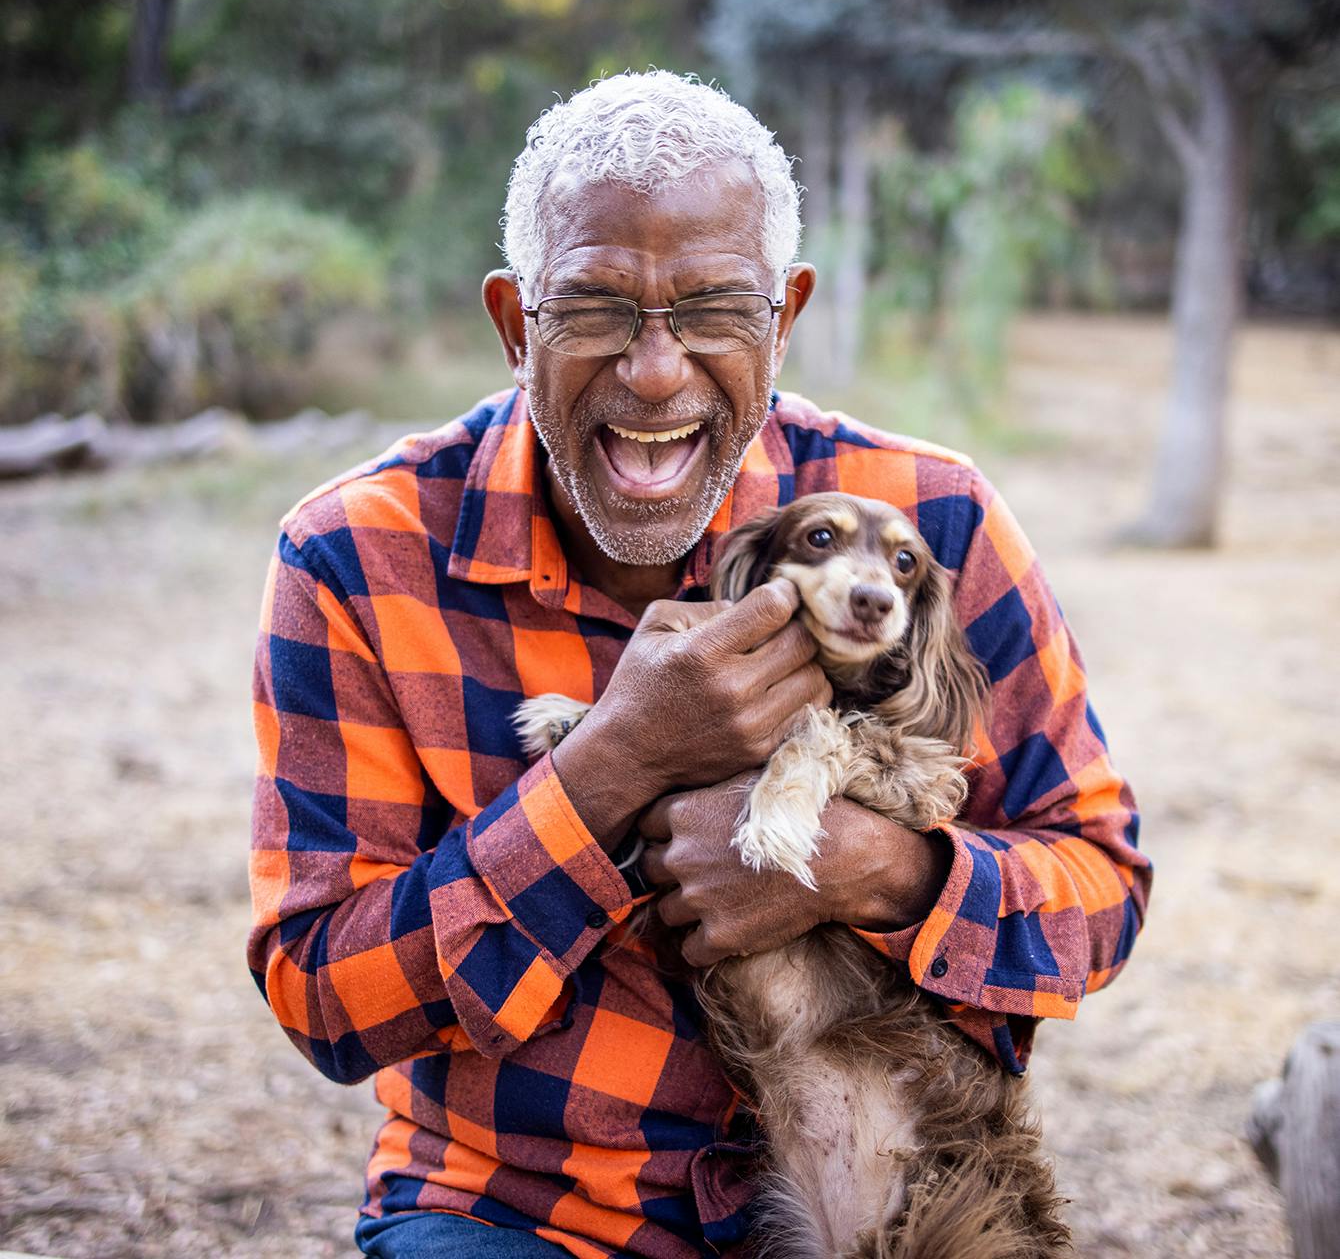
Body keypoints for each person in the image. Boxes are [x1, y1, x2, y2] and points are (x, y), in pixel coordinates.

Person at [247, 70, 1149, 1259]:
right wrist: (614, 764)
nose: (656, 370)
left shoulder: (932, 525)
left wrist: (869, 868)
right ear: (517, 321)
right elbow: (325, 993)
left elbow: (1100, 889)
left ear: (783, 317)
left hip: (892, 1202)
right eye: (596, 308)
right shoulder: (359, 556)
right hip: (528, 1210)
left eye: (714, 310)